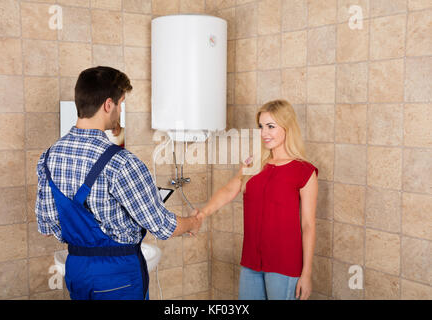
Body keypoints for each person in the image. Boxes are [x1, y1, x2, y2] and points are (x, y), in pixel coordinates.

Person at [35, 66, 202, 300]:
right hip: (118, 275)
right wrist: (193, 222)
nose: (120, 111)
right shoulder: (122, 162)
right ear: (108, 105)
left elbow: (46, 226)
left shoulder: (48, 157)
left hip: (77, 271)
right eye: (121, 103)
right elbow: (163, 226)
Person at [199, 99, 318, 300]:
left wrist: (306, 274)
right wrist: (202, 214)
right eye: (261, 127)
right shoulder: (253, 164)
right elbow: (229, 190)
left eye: (271, 126)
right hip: (251, 263)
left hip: (285, 265)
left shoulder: (304, 171)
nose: (264, 133)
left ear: (287, 127)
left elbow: (308, 225)